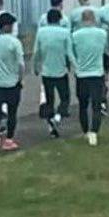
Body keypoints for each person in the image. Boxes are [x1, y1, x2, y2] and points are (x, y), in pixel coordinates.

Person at [0, 12, 25, 152]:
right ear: (8, 26)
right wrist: (20, 79)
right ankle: (9, 139)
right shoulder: (15, 42)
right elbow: (21, 64)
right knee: (12, 113)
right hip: (11, 83)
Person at [33, 8, 72, 138]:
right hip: (60, 71)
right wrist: (74, 66)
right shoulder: (65, 33)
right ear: (59, 20)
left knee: (49, 101)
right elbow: (69, 53)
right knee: (65, 98)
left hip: (47, 72)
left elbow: (36, 52)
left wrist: (35, 66)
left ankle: (51, 128)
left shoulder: (41, 32)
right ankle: (58, 116)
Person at [71, 9, 108, 146]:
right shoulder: (102, 34)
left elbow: (73, 53)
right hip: (97, 73)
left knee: (83, 105)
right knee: (96, 105)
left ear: (82, 20)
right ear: (94, 19)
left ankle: (85, 130)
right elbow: (105, 49)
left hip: (81, 74)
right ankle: (94, 131)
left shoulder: (75, 35)